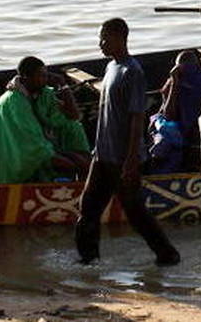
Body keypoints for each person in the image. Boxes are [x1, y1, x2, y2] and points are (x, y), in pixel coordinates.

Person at [75, 18, 179, 266]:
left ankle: (167, 254)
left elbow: (136, 118)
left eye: (104, 38)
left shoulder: (132, 72)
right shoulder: (111, 68)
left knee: (135, 212)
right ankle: (88, 260)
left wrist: (132, 159)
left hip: (122, 156)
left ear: (120, 37)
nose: (100, 44)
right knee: (88, 207)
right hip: (102, 154)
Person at [0, 56, 91, 184]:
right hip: (14, 159)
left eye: (46, 75)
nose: (45, 79)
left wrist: (63, 84)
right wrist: (72, 164)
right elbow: (34, 147)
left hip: (40, 147)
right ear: (26, 77)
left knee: (74, 127)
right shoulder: (15, 102)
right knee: (74, 164)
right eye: (41, 76)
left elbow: (73, 116)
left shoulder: (42, 94)